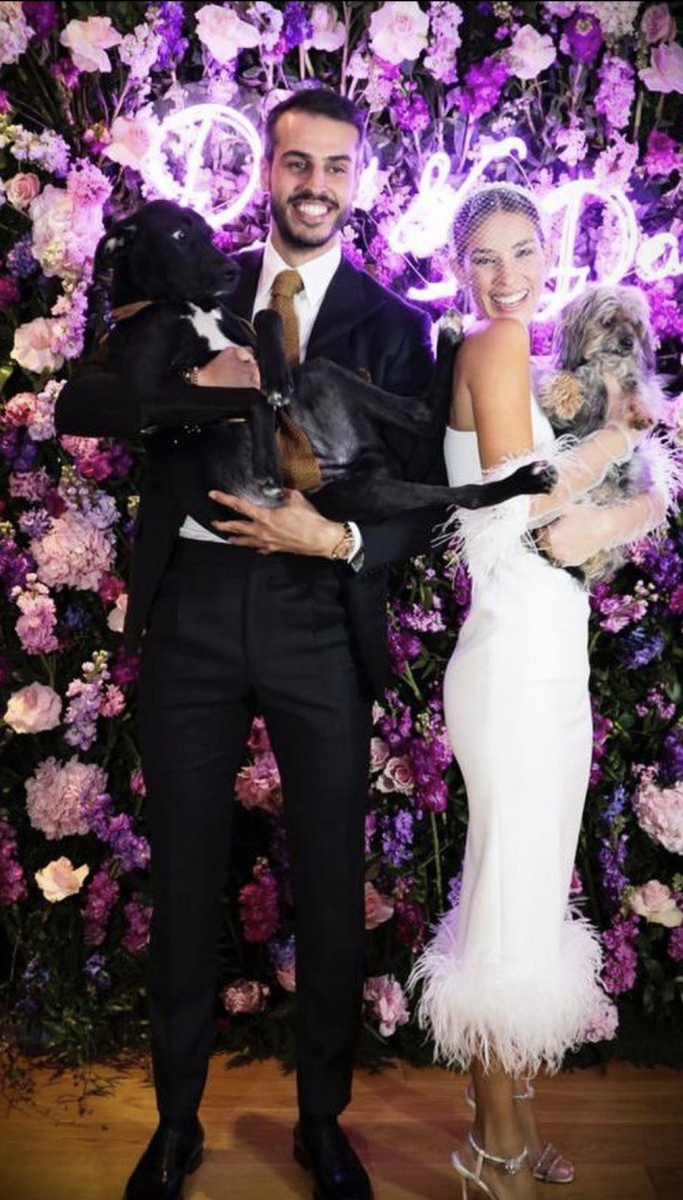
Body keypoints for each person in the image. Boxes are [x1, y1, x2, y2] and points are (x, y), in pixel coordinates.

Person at [55, 88, 445, 1200]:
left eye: (335, 166)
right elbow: (91, 399)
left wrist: (339, 537)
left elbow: (418, 496)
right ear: (266, 171)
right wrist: (195, 391)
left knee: (329, 875)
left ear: (357, 180)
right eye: (296, 163)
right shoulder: (193, 288)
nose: (314, 185)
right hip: (192, 610)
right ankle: (175, 1125)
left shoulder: (394, 327)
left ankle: (322, 1123)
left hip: (316, 612)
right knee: (183, 874)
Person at [410, 183, 674, 1200]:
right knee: (506, 916)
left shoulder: (530, 359)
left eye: (523, 252)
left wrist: (626, 492)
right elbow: (533, 511)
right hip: (511, 672)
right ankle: (493, 1148)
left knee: (522, 899)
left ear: (549, 255)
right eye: (484, 256)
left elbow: (572, 524)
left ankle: (512, 1118)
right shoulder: (493, 345)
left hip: (551, 667)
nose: (507, 275)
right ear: (457, 266)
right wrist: (623, 456)